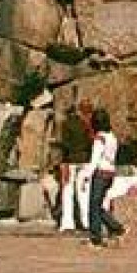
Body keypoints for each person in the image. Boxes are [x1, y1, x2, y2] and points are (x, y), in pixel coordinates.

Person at [86, 108, 126, 248]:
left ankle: (96, 237)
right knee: (98, 206)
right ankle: (116, 227)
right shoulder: (112, 137)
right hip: (110, 173)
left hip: (100, 173)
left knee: (93, 207)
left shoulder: (100, 138)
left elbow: (95, 159)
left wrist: (86, 175)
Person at [57, 100, 95, 234]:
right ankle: (86, 222)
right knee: (84, 193)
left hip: (71, 161)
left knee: (68, 191)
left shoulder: (68, 123)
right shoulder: (91, 124)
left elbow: (64, 145)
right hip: (86, 161)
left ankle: (68, 223)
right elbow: (92, 144)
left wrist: (64, 163)